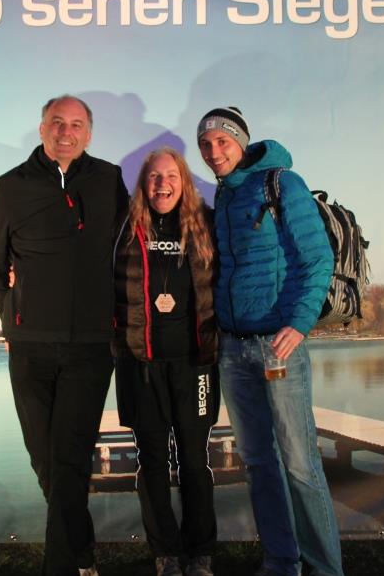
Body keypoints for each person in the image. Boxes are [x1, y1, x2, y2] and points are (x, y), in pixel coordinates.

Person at [0, 95, 128, 576]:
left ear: (90, 133)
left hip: (91, 345)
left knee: (69, 458)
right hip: (30, 348)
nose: (66, 132)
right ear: (42, 128)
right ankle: (82, 556)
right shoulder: (9, 189)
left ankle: (62, 567)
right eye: (57, 122)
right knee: (46, 461)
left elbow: (127, 250)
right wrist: (13, 318)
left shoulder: (109, 180)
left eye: (76, 124)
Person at [196, 107, 342, 576]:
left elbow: (317, 259)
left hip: (278, 346)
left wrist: (299, 323)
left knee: (299, 463)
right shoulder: (224, 196)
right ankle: (281, 561)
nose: (214, 151)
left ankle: (325, 569)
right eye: (205, 144)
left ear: (241, 142)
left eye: (222, 141)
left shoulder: (282, 184)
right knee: (259, 462)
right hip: (233, 350)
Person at [112, 148, 219, 576]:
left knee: (194, 459)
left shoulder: (206, 223)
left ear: (184, 181)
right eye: (154, 176)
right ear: (143, 183)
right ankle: (166, 554)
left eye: (171, 175)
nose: (163, 184)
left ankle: (201, 552)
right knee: (152, 460)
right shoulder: (123, 226)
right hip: (140, 362)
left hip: (195, 363)